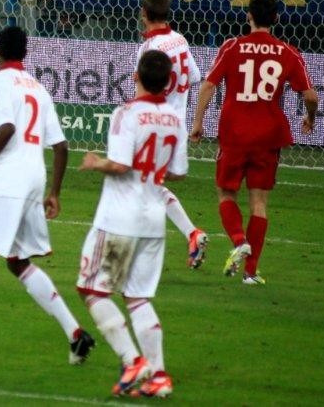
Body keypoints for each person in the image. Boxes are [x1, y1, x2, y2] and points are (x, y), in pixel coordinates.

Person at [0, 26, 95, 367]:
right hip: (34, 178)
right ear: (25, 52)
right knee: (17, 261)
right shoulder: (38, 88)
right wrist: (54, 192)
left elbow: (6, 127)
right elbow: (61, 146)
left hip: (6, 179)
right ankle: (75, 334)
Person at [190, 0, 318, 284]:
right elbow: (310, 96)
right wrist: (310, 118)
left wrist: (197, 122)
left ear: (248, 15)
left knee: (226, 193)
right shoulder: (288, 52)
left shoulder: (232, 46)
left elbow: (208, 85)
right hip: (268, 136)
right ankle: (250, 272)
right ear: (276, 18)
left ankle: (239, 241)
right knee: (259, 202)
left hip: (234, 132)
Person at [77, 50, 183, 398]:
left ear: (136, 76)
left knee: (92, 290)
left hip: (120, 219)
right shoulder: (174, 117)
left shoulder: (126, 113)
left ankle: (132, 360)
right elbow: (178, 172)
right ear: (168, 82)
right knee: (137, 298)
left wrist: (96, 163)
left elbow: (121, 165)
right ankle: (159, 376)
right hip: (154, 220)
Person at [137, 0, 208, 269]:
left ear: (144, 13)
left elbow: (143, 91)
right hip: (176, 124)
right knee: (149, 185)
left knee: (141, 185)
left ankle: (149, 251)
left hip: (155, 125)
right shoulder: (180, 39)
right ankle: (192, 234)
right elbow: (195, 76)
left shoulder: (149, 49)